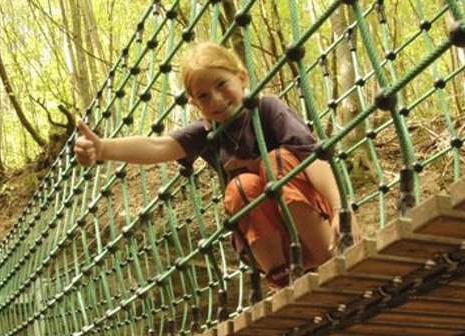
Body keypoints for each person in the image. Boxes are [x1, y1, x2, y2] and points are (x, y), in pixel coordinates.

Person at [73, 42, 345, 288]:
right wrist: (103, 149)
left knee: (276, 162)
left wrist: (339, 210)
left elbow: (313, 157)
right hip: (278, 245)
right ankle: (284, 279)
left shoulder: (267, 108)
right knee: (241, 186)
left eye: (221, 84)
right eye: (203, 95)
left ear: (241, 78)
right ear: (194, 103)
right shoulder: (208, 133)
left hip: (318, 227)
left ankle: (331, 258)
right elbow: (157, 146)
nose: (215, 98)